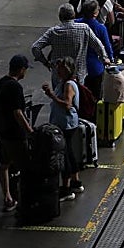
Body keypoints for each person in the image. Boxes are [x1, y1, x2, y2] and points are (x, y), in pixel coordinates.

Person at [0, 54, 35, 212]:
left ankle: (8, 198)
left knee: (4, 165)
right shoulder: (15, 87)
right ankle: (26, 198)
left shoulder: (1, 82)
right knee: (25, 166)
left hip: (2, 133)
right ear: (21, 69)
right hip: (15, 135)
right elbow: (18, 112)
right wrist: (29, 131)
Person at [31, 3, 106, 85]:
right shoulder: (84, 29)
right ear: (73, 15)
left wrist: (45, 62)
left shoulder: (53, 32)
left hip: (58, 76)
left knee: (58, 96)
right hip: (78, 75)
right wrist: (104, 59)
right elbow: (98, 46)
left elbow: (35, 47)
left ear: (60, 17)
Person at [42, 57, 83, 199]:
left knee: (64, 156)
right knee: (69, 152)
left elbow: (67, 104)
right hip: (66, 123)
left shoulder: (69, 85)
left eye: (61, 68)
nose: (58, 71)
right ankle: (76, 181)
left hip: (66, 124)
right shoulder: (64, 83)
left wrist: (52, 96)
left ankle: (66, 189)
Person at [75, 0, 115, 100]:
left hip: (77, 66)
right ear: (95, 13)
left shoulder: (75, 24)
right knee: (94, 95)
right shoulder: (100, 28)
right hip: (95, 67)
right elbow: (107, 46)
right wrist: (111, 59)